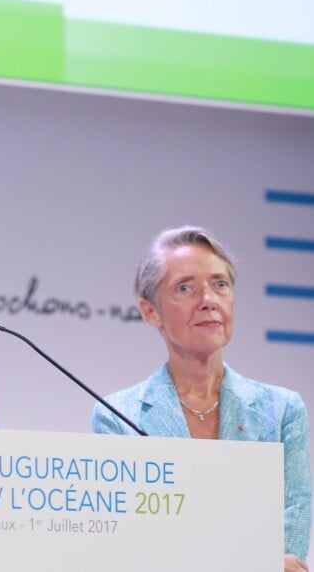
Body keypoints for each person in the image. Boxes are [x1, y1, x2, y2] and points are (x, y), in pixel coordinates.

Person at [91, 225, 311, 572]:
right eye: (185, 288)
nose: (208, 299)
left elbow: (289, 551)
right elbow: (133, 548)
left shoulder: (283, 410)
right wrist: (252, 561)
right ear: (151, 312)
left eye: (220, 284)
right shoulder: (117, 416)